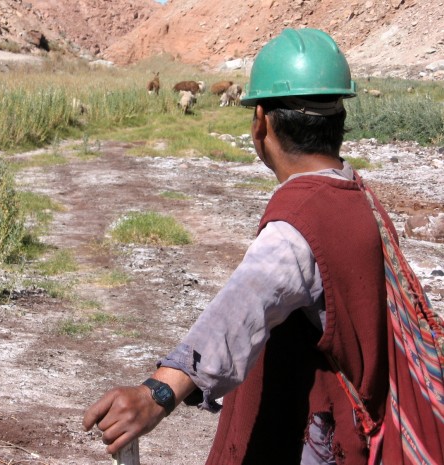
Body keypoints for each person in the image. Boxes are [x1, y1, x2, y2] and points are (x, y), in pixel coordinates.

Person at [82, 28, 394, 465]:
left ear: (261, 121)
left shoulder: (298, 224)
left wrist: (157, 393)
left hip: (313, 444)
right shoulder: (355, 194)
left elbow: (243, 305)